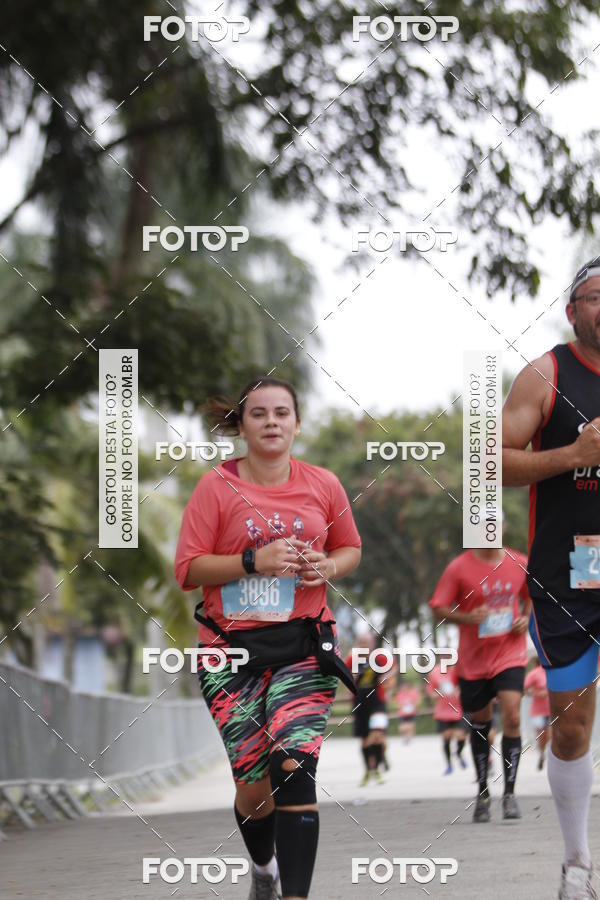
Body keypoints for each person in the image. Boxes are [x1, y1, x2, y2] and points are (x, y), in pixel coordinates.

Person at [174, 377, 362, 900]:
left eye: (283, 412)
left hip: (303, 644)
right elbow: (188, 569)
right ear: (243, 425)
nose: (272, 421)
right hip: (229, 652)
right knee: (255, 790)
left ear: (297, 424)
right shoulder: (216, 487)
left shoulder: (323, 484)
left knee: (293, 764)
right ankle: (264, 869)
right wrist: (254, 560)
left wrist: (326, 565)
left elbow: (350, 548)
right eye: (259, 414)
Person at [502, 256, 600, 898]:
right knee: (570, 726)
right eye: (595, 298)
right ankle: (576, 861)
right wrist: (573, 456)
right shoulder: (547, 372)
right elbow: (489, 463)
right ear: (573, 311)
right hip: (572, 571)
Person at [429, 539, 530, 821]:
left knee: (511, 713)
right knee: (481, 720)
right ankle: (483, 790)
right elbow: (438, 608)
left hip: (510, 651)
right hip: (474, 660)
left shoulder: (519, 561)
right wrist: (467, 617)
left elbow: (533, 593)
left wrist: (525, 616)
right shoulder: (458, 568)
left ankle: (509, 793)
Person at [345, 635, 390, 785]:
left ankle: (376, 768)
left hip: (378, 702)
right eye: (361, 642)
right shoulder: (352, 659)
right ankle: (368, 770)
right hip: (360, 702)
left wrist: (386, 682)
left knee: (377, 735)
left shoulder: (380, 658)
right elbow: (344, 679)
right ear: (358, 644)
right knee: (365, 740)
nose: (364, 645)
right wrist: (352, 677)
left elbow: (392, 674)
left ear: (372, 644)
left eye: (367, 642)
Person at [426, 663, 467, 774]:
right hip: (443, 711)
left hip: (459, 710)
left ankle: (458, 753)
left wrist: (460, 691)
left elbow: (467, 686)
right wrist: (440, 693)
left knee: (461, 736)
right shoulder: (435, 672)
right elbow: (431, 691)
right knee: (447, 737)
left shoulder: (459, 670)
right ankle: (449, 765)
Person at [524, 656, 551, 770]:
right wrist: (536, 692)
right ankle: (542, 754)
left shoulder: (553, 671)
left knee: (550, 735)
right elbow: (525, 688)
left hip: (552, 710)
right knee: (542, 737)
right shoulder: (534, 673)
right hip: (538, 711)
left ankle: (552, 758)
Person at [395, 676, 421, 744]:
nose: (404, 688)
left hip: (411, 712)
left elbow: (418, 701)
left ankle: (409, 738)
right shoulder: (400, 694)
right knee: (402, 728)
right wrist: (401, 706)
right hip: (403, 713)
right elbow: (397, 703)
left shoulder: (413, 692)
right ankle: (405, 736)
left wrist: (413, 705)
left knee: (411, 726)